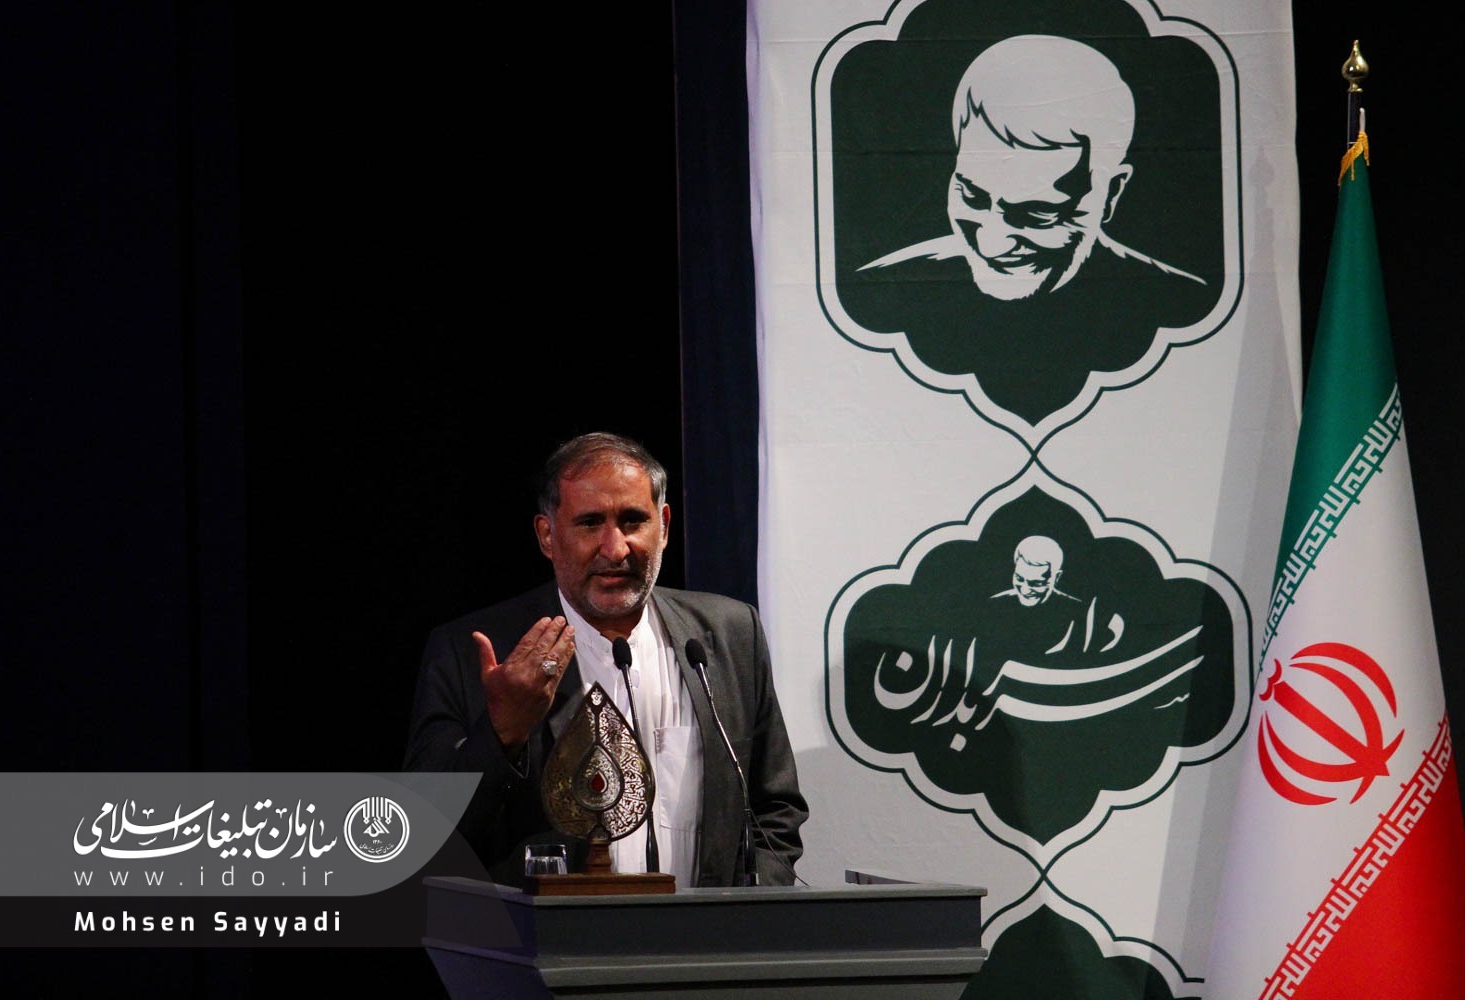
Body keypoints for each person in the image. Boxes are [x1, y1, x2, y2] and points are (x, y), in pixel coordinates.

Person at [403, 432, 808, 888]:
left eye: (633, 520)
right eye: (590, 523)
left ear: (664, 526)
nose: (615, 549)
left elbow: (775, 810)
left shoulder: (730, 634)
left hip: (707, 932)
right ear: (547, 535)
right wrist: (501, 734)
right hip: (552, 932)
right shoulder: (472, 652)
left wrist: (746, 913)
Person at [838, 34, 1219, 423]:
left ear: (1110, 193)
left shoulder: (1176, 303)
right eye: (972, 196)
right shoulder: (882, 290)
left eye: (1037, 214)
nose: (991, 243)